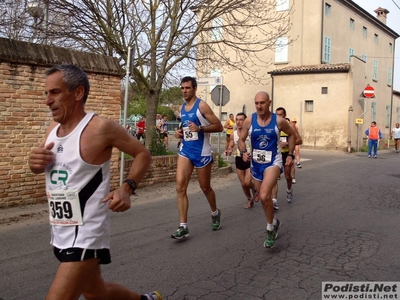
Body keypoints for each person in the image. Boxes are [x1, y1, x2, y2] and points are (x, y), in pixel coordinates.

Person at [28, 64, 161, 300]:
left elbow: (143, 154)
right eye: (46, 93)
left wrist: (127, 188)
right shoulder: (52, 129)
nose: (47, 100)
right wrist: (34, 163)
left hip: (86, 234)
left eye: (55, 92)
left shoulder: (101, 128)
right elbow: (40, 167)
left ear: (78, 93)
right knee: (97, 294)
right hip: (60, 230)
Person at [238, 91, 296, 248]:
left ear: (269, 103)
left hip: (273, 162)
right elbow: (241, 140)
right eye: (256, 103)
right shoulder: (250, 120)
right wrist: (243, 153)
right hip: (256, 164)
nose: (259, 106)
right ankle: (274, 222)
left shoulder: (279, 121)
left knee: (264, 195)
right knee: (265, 200)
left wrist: (290, 154)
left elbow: (292, 135)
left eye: (262, 103)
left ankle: (269, 229)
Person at [171, 76, 223, 239]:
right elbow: (185, 127)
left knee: (205, 187)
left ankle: (215, 212)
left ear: (194, 89)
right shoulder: (182, 108)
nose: (184, 91)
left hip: (202, 152)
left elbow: (219, 126)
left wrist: (200, 128)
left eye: (187, 88)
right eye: (182, 88)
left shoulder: (202, 105)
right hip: (186, 151)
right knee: (180, 187)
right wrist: (179, 132)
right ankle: (183, 226)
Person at [271, 110, 302, 211]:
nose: (279, 117)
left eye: (281, 115)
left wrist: (287, 144)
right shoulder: (273, 126)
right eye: (277, 115)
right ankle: (274, 200)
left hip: (287, 154)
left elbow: (299, 140)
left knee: (288, 176)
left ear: (285, 115)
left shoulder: (290, 127)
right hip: (276, 154)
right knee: (274, 177)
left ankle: (289, 190)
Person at [226, 113, 258, 209]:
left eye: (241, 120)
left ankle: (254, 189)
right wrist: (229, 149)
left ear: (245, 121)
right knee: (243, 183)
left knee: (247, 182)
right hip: (239, 159)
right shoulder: (233, 134)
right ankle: (249, 199)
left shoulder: (250, 133)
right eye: (237, 119)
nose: (239, 122)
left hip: (249, 159)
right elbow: (231, 143)